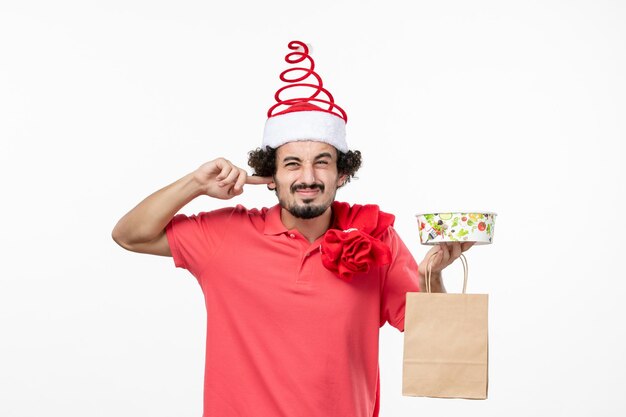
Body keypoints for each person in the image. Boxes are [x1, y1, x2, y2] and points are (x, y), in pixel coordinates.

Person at [111, 41, 473, 417]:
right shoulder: (225, 235)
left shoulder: (376, 237)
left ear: (342, 173)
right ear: (271, 175)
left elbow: (437, 347)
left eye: (322, 162)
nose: (308, 177)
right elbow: (129, 234)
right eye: (292, 164)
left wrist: (431, 275)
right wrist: (197, 184)